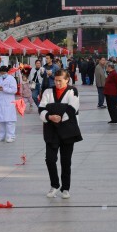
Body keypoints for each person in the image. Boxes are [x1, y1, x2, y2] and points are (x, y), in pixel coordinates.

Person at [39, 69, 82, 200]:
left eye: (60, 81)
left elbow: (72, 109)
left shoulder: (72, 91)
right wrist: (49, 116)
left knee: (66, 161)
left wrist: (59, 117)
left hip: (68, 130)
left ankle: (65, 188)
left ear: (67, 80)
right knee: (50, 159)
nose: (57, 83)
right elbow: (41, 108)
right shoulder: (47, 91)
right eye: (56, 80)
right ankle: (54, 185)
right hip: (51, 130)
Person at [0, 66, 18, 143]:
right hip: (1, 100)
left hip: (9, 100)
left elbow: (14, 90)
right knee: (1, 120)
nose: (2, 74)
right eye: (1, 73)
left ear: (7, 72)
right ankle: (1, 136)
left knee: (9, 120)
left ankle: (11, 136)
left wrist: (4, 89)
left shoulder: (11, 79)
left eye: (3, 73)